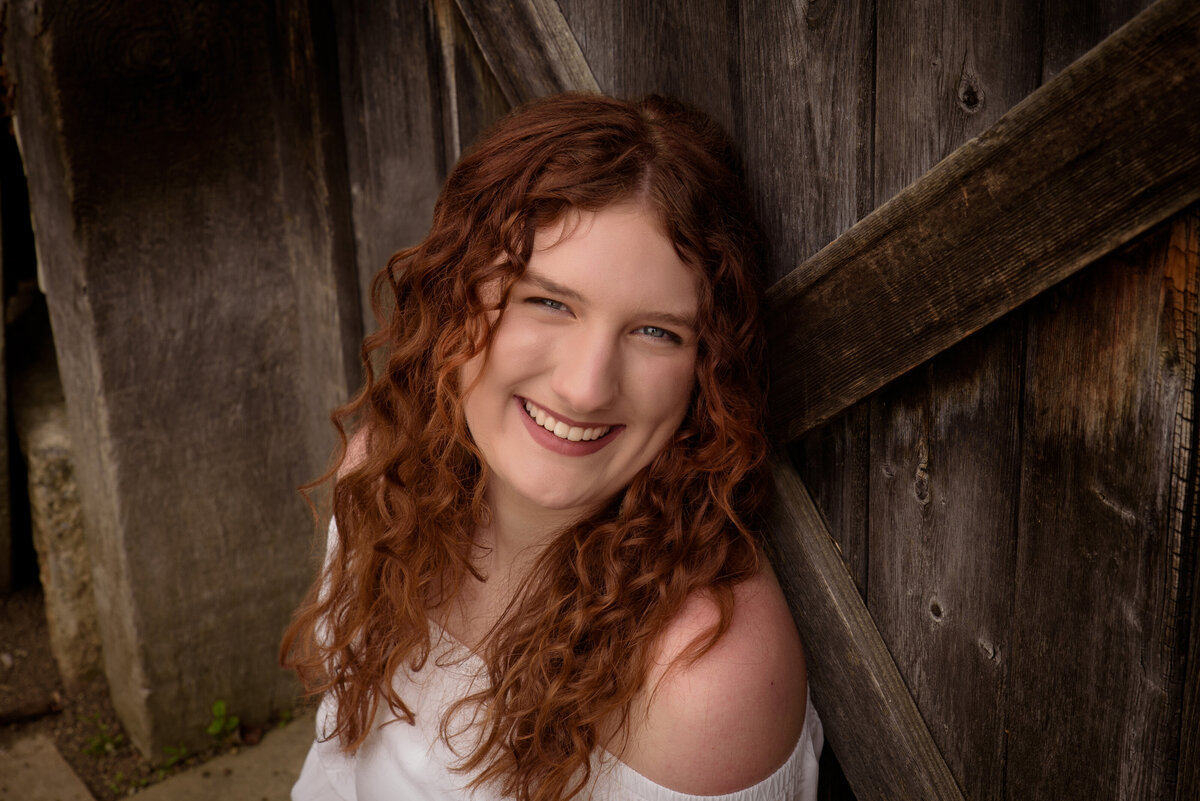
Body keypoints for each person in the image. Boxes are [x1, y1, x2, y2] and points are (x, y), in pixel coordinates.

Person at [282, 92, 822, 801]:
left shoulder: (702, 675)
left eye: (657, 331)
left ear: (707, 372)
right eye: (549, 302)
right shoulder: (385, 481)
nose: (585, 387)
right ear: (458, 294)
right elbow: (333, 774)